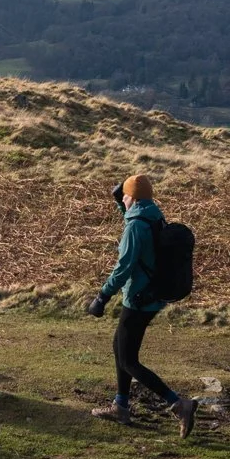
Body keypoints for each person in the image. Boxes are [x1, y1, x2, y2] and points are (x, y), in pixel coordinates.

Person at [85, 175, 198, 436]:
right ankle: (121, 406)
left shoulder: (136, 226)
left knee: (127, 358)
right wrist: (119, 203)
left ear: (132, 198)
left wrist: (102, 297)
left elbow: (123, 267)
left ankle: (179, 404)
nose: (122, 199)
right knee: (121, 350)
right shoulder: (152, 214)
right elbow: (133, 221)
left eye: (124, 196)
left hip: (138, 298)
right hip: (152, 295)